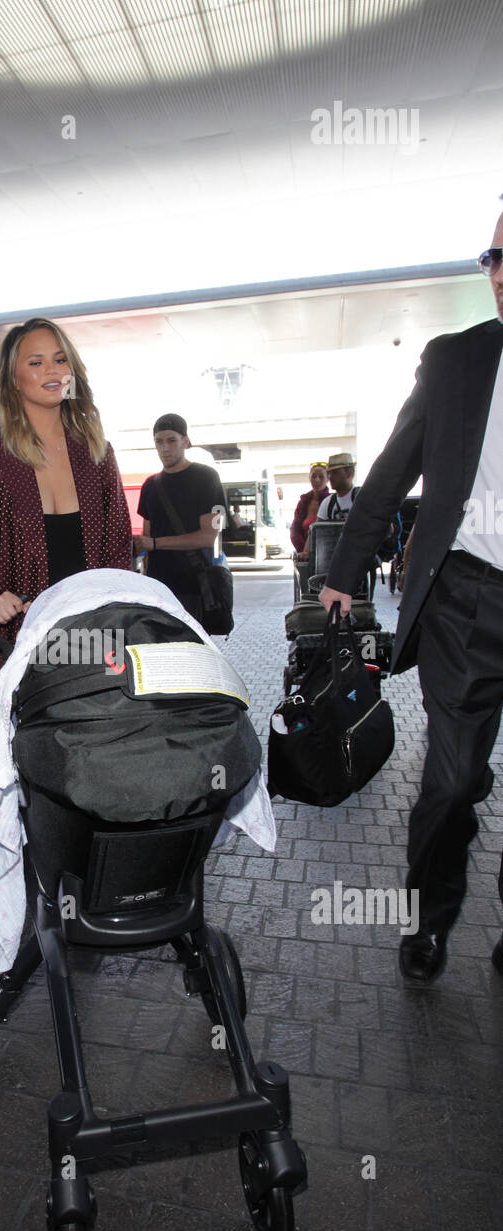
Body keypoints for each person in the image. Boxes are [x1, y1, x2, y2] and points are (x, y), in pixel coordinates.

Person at [320, 206, 503, 984]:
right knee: (454, 778)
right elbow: (391, 472)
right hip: (468, 600)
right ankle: (428, 918)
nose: (498, 269)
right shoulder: (457, 361)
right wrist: (342, 573)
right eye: (493, 254)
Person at [0, 316, 133, 804]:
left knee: (98, 766)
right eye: (36, 362)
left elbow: (119, 545)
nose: (53, 370)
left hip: (94, 636)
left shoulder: (95, 449)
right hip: (21, 640)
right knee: (26, 772)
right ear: (13, 377)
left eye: (60, 359)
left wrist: (121, 610)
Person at [134, 412, 227, 622]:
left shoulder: (207, 477)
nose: (164, 448)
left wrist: (155, 543)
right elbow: (146, 540)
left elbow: (208, 537)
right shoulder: (150, 485)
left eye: (171, 440)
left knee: (194, 653)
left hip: (195, 588)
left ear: (185, 441)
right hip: (160, 591)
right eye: (159, 442)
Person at [290, 463, 330, 558]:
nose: (317, 480)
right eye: (314, 476)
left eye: (321, 477)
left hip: (325, 555)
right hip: (304, 556)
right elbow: (294, 530)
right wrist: (305, 552)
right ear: (309, 478)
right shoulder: (303, 502)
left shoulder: (331, 501)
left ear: (328, 479)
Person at [316, 453, 359, 520]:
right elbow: (319, 529)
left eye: (335, 472)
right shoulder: (327, 503)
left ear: (349, 473)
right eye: (329, 473)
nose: (330, 477)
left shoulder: (361, 498)